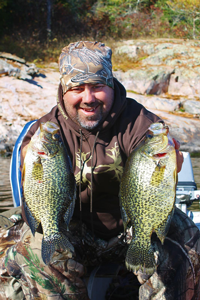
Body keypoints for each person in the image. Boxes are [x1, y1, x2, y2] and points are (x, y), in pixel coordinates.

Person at [0, 41, 199, 300]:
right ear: (62, 89)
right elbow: (31, 195)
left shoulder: (142, 125)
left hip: (129, 229)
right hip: (71, 229)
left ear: (111, 85)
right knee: (35, 247)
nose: (88, 98)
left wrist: (170, 163)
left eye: (97, 87)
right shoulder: (46, 131)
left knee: (186, 248)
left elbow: (159, 182)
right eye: (77, 88)